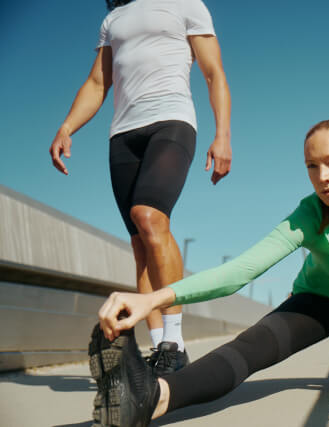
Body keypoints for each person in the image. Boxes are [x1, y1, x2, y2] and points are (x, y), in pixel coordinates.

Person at [90, 120, 329, 426]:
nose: (322, 177)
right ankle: (149, 399)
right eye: (312, 166)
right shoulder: (309, 213)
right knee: (251, 350)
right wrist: (152, 299)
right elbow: (240, 271)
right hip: (317, 305)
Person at [49, 0, 231, 376]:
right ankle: (159, 347)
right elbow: (99, 82)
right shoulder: (112, 19)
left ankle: (175, 342)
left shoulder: (187, 5)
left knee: (148, 217)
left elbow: (213, 73)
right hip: (123, 135)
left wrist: (223, 136)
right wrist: (67, 126)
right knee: (139, 243)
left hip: (172, 122)